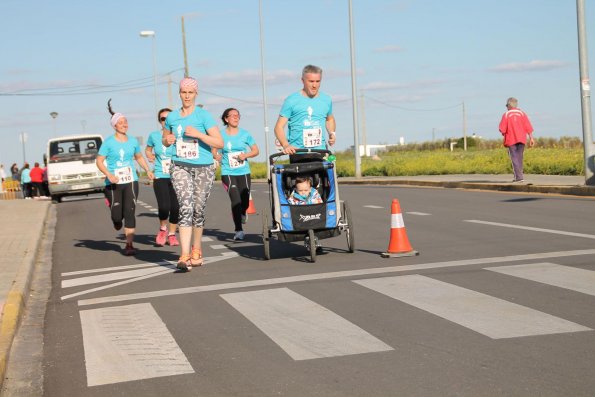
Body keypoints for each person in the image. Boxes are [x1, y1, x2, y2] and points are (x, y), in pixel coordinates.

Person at [163, 77, 224, 272]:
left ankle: (197, 248)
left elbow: (219, 143)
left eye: (190, 92)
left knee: (198, 209)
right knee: (185, 207)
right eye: (183, 92)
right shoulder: (172, 117)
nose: (187, 96)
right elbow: (165, 138)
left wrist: (198, 135)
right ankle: (184, 255)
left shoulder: (203, 116)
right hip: (179, 165)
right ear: (179, 94)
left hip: (203, 167)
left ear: (196, 94)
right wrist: (167, 140)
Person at [96, 99, 154, 256]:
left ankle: (129, 244)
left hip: (130, 180)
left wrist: (148, 170)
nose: (124, 124)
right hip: (113, 183)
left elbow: (139, 157)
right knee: (117, 216)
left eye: (125, 121)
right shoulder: (108, 142)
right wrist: (109, 174)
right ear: (114, 125)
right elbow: (99, 161)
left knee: (130, 211)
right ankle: (115, 217)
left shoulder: (133, 141)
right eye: (120, 122)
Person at [212, 108, 259, 241]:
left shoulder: (245, 134)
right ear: (226, 119)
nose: (235, 118)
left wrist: (246, 155)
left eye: (237, 115)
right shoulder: (220, 135)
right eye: (232, 116)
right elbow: (214, 150)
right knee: (236, 200)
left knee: (244, 201)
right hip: (228, 172)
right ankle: (238, 230)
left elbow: (256, 150)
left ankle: (243, 212)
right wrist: (217, 156)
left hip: (243, 172)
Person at [274, 64, 336, 162]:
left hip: (320, 151)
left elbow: (330, 119)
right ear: (303, 81)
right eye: (311, 81)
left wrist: (332, 133)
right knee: (300, 178)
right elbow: (278, 127)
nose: (314, 85)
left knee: (325, 176)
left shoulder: (326, 99)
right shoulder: (291, 100)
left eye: (317, 81)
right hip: (298, 152)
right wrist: (286, 145)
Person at [145, 107, 180, 247]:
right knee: (164, 207)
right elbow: (148, 150)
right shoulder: (154, 135)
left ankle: (171, 235)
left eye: (168, 118)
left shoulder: (178, 135)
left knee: (176, 208)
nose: (165, 121)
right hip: (160, 174)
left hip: (177, 174)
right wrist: (150, 155)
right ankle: (162, 229)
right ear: (160, 121)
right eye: (163, 119)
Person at [499, 97, 535, 183]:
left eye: (506, 105)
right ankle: (520, 176)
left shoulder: (506, 114)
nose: (506, 107)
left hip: (511, 139)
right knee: (520, 157)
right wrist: (531, 138)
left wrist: (504, 133)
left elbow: (502, 129)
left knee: (514, 157)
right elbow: (528, 126)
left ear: (509, 105)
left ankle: (518, 177)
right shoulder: (522, 113)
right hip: (522, 138)